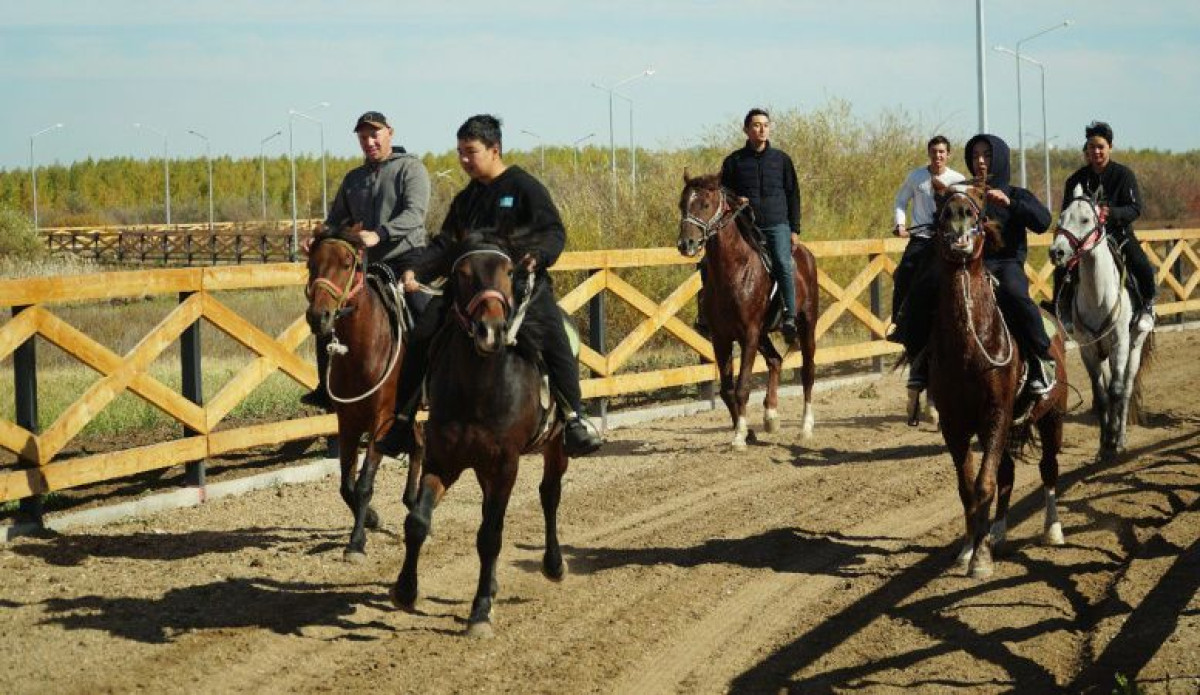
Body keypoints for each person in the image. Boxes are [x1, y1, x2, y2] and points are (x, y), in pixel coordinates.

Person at [376, 114, 602, 457]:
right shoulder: (466, 200)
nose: (463, 160)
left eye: (470, 152)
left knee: (554, 336)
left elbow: (554, 232)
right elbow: (445, 245)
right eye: (459, 153)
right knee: (422, 335)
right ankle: (402, 423)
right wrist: (416, 272)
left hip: (521, 289)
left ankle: (574, 420)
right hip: (466, 293)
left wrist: (537, 257)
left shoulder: (524, 187)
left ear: (494, 149)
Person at [902, 134, 1056, 397]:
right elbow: (944, 219)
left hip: (1004, 264)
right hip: (966, 264)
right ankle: (919, 361)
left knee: (1015, 294)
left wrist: (1010, 203)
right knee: (922, 291)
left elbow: (1043, 222)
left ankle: (1042, 359)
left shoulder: (1016, 194)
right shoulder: (963, 191)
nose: (981, 161)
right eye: (975, 156)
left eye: (987, 155)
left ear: (1001, 158)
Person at [299, 111, 431, 410]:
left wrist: (380, 233)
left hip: (407, 258)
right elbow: (336, 221)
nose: (369, 142)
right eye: (363, 137)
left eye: (375, 135)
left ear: (389, 133)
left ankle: (432, 384)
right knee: (326, 311)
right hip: (366, 263)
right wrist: (317, 238)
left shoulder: (411, 169)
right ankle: (327, 387)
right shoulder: (353, 179)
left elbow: (414, 214)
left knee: (423, 312)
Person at [1048, 121, 1155, 332]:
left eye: (1100, 147)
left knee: (1140, 262)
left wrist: (1111, 213)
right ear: (1086, 149)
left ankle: (1147, 307)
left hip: (1118, 234)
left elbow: (1135, 208)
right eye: (1091, 147)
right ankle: (1061, 309)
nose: (1095, 151)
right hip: (1082, 239)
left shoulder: (1124, 175)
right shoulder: (1075, 180)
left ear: (1110, 147)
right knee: (1061, 266)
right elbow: (1066, 214)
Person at [718, 108, 804, 344]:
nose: (762, 129)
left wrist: (794, 229)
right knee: (712, 263)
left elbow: (793, 194)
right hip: (744, 227)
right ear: (746, 129)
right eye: (756, 125)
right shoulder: (733, 161)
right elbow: (722, 196)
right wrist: (737, 200)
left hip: (777, 223)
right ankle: (708, 316)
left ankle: (789, 316)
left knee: (783, 263)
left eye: (766, 124)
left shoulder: (782, 160)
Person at [889, 135, 965, 329]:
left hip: (949, 240)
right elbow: (900, 200)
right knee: (904, 272)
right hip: (922, 238)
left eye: (941, 152)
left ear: (948, 154)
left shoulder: (958, 180)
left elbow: (965, 212)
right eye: (934, 151)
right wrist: (900, 224)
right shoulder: (916, 177)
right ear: (928, 153)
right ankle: (898, 322)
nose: (937, 156)